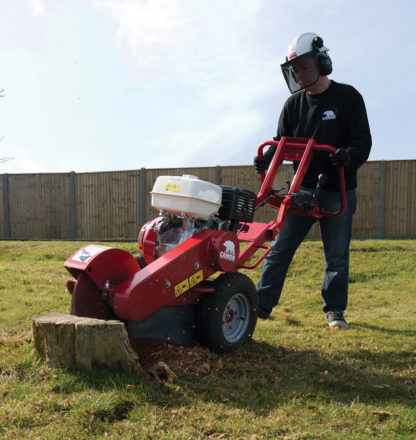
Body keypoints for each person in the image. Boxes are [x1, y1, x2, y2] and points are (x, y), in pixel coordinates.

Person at [254, 32, 372, 327]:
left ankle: (334, 311)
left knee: (336, 255)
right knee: (280, 249)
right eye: (295, 69)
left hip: (338, 190)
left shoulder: (348, 97)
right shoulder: (292, 106)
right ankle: (260, 306)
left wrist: (349, 156)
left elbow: (362, 142)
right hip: (302, 190)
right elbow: (281, 143)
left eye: (305, 66)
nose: (299, 74)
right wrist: (267, 160)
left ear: (323, 63)